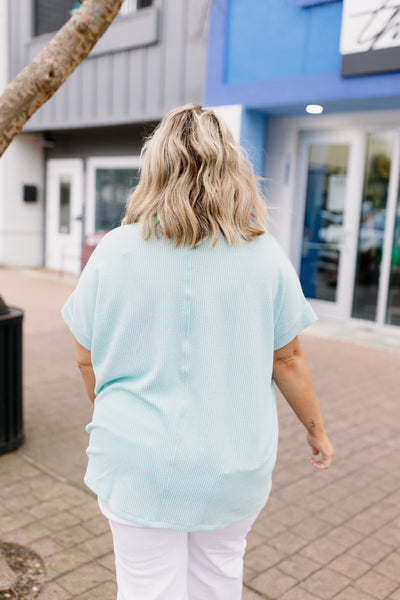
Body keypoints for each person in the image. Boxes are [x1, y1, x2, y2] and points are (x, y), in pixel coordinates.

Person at [61, 103, 333, 600]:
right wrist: (316, 431)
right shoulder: (265, 256)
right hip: (232, 465)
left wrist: (116, 418)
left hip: (135, 463)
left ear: (156, 168)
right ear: (232, 169)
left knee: (146, 589)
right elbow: (288, 359)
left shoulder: (113, 251)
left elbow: (86, 358)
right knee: (218, 584)